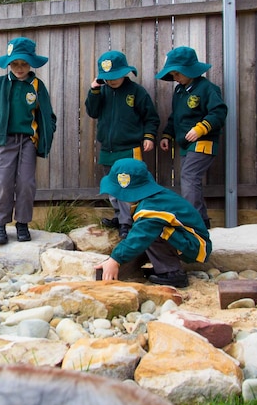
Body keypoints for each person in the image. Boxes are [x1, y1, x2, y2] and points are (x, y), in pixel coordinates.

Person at [0, 37, 57, 245]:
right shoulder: (0, 85)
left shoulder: (37, 86)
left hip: (28, 142)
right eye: (15, 64)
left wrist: (47, 133)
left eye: (23, 63)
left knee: (26, 183)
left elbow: (49, 115)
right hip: (5, 140)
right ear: (9, 64)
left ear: (30, 63)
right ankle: (0, 224)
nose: (19, 68)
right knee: (3, 182)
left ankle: (22, 223)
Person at [94, 158, 211, 288]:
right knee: (146, 229)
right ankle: (163, 267)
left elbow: (140, 236)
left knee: (149, 231)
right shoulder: (153, 198)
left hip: (196, 246)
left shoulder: (151, 208)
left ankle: (172, 273)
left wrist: (115, 259)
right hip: (188, 240)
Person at [85, 50, 159, 236]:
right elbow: (92, 112)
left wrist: (149, 136)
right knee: (113, 187)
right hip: (108, 149)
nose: (111, 81)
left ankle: (128, 222)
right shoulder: (101, 91)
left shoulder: (136, 92)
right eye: (107, 78)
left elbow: (151, 117)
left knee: (128, 186)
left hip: (129, 148)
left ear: (125, 72)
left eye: (115, 77)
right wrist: (94, 90)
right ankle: (120, 217)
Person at [156, 46, 227, 229]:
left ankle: (194, 221)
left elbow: (218, 112)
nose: (175, 78)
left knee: (189, 176)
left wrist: (202, 127)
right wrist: (167, 135)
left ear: (189, 70)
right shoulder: (179, 92)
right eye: (172, 74)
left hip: (203, 142)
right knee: (189, 178)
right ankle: (200, 220)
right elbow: (175, 117)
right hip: (185, 144)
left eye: (177, 73)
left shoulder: (207, 89)